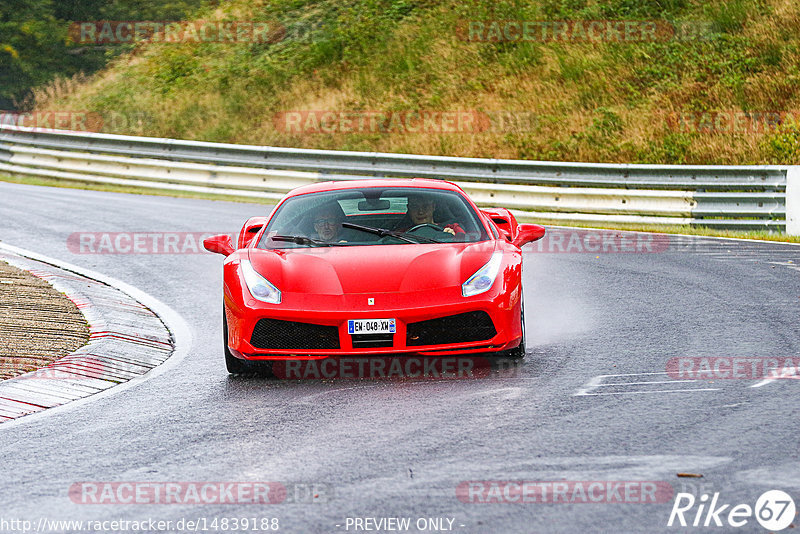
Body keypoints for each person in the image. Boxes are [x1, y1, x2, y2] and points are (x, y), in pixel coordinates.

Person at [395, 194, 464, 236]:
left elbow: (465, 244)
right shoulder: (400, 233)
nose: (420, 212)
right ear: (408, 209)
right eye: (415, 207)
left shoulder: (452, 228)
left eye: (425, 206)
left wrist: (452, 237)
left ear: (433, 207)